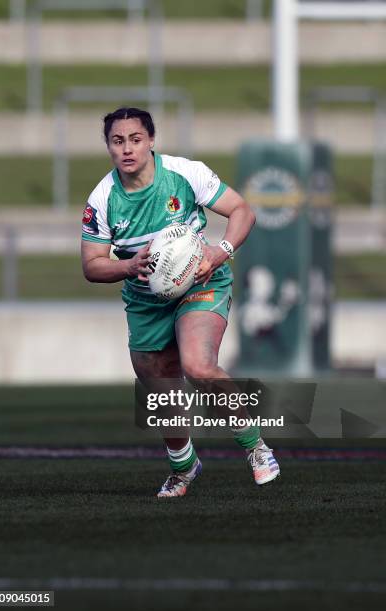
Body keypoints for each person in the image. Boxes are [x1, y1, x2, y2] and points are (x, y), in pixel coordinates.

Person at [81, 107, 280, 498]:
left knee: (198, 365)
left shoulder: (185, 173)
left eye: (135, 139)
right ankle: (183, 468)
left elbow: (242, 210)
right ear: (108, 146)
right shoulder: (102, 199)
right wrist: (127, 265)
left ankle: (256, 447)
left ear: (151, 141)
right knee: (162, 389)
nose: (127, 149)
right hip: (145, 301)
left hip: (202, 281)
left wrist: (220, 251)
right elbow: (91, 265)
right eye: (117, 141)